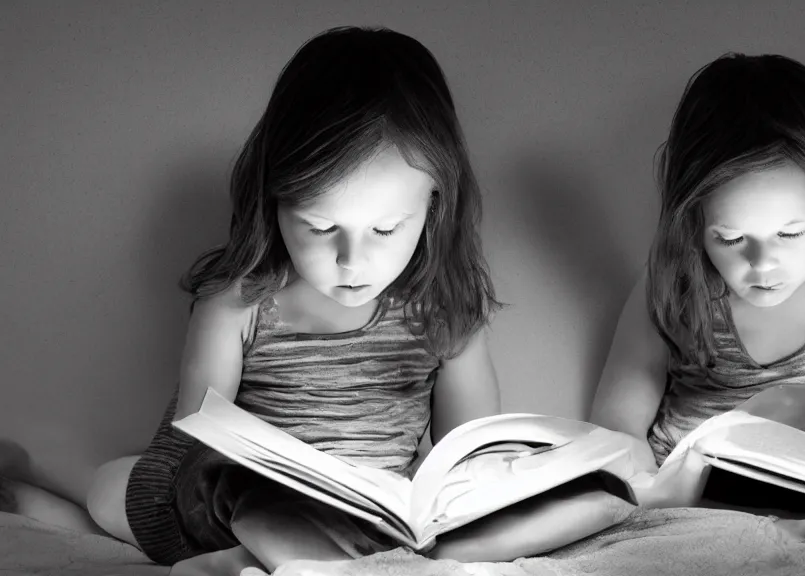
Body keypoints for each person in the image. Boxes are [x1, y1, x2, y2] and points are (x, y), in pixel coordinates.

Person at [85, 26, 504, 573]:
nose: (352, 261)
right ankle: (40, 473)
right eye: (321, 226)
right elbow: (197, 453)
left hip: (370, 526)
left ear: (434, 205)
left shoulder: (445, 315)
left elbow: (471, 461)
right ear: (274, 199)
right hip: (229, 507)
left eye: (386, 230)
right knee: (111, 486)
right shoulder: (238, 304)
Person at [590, 53, 805, 515]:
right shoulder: (673, 284)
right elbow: (614, 436)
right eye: (730, 238)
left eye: (790, 234)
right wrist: (645, 493)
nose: (762, 262)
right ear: (694, 222)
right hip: (685, 518)